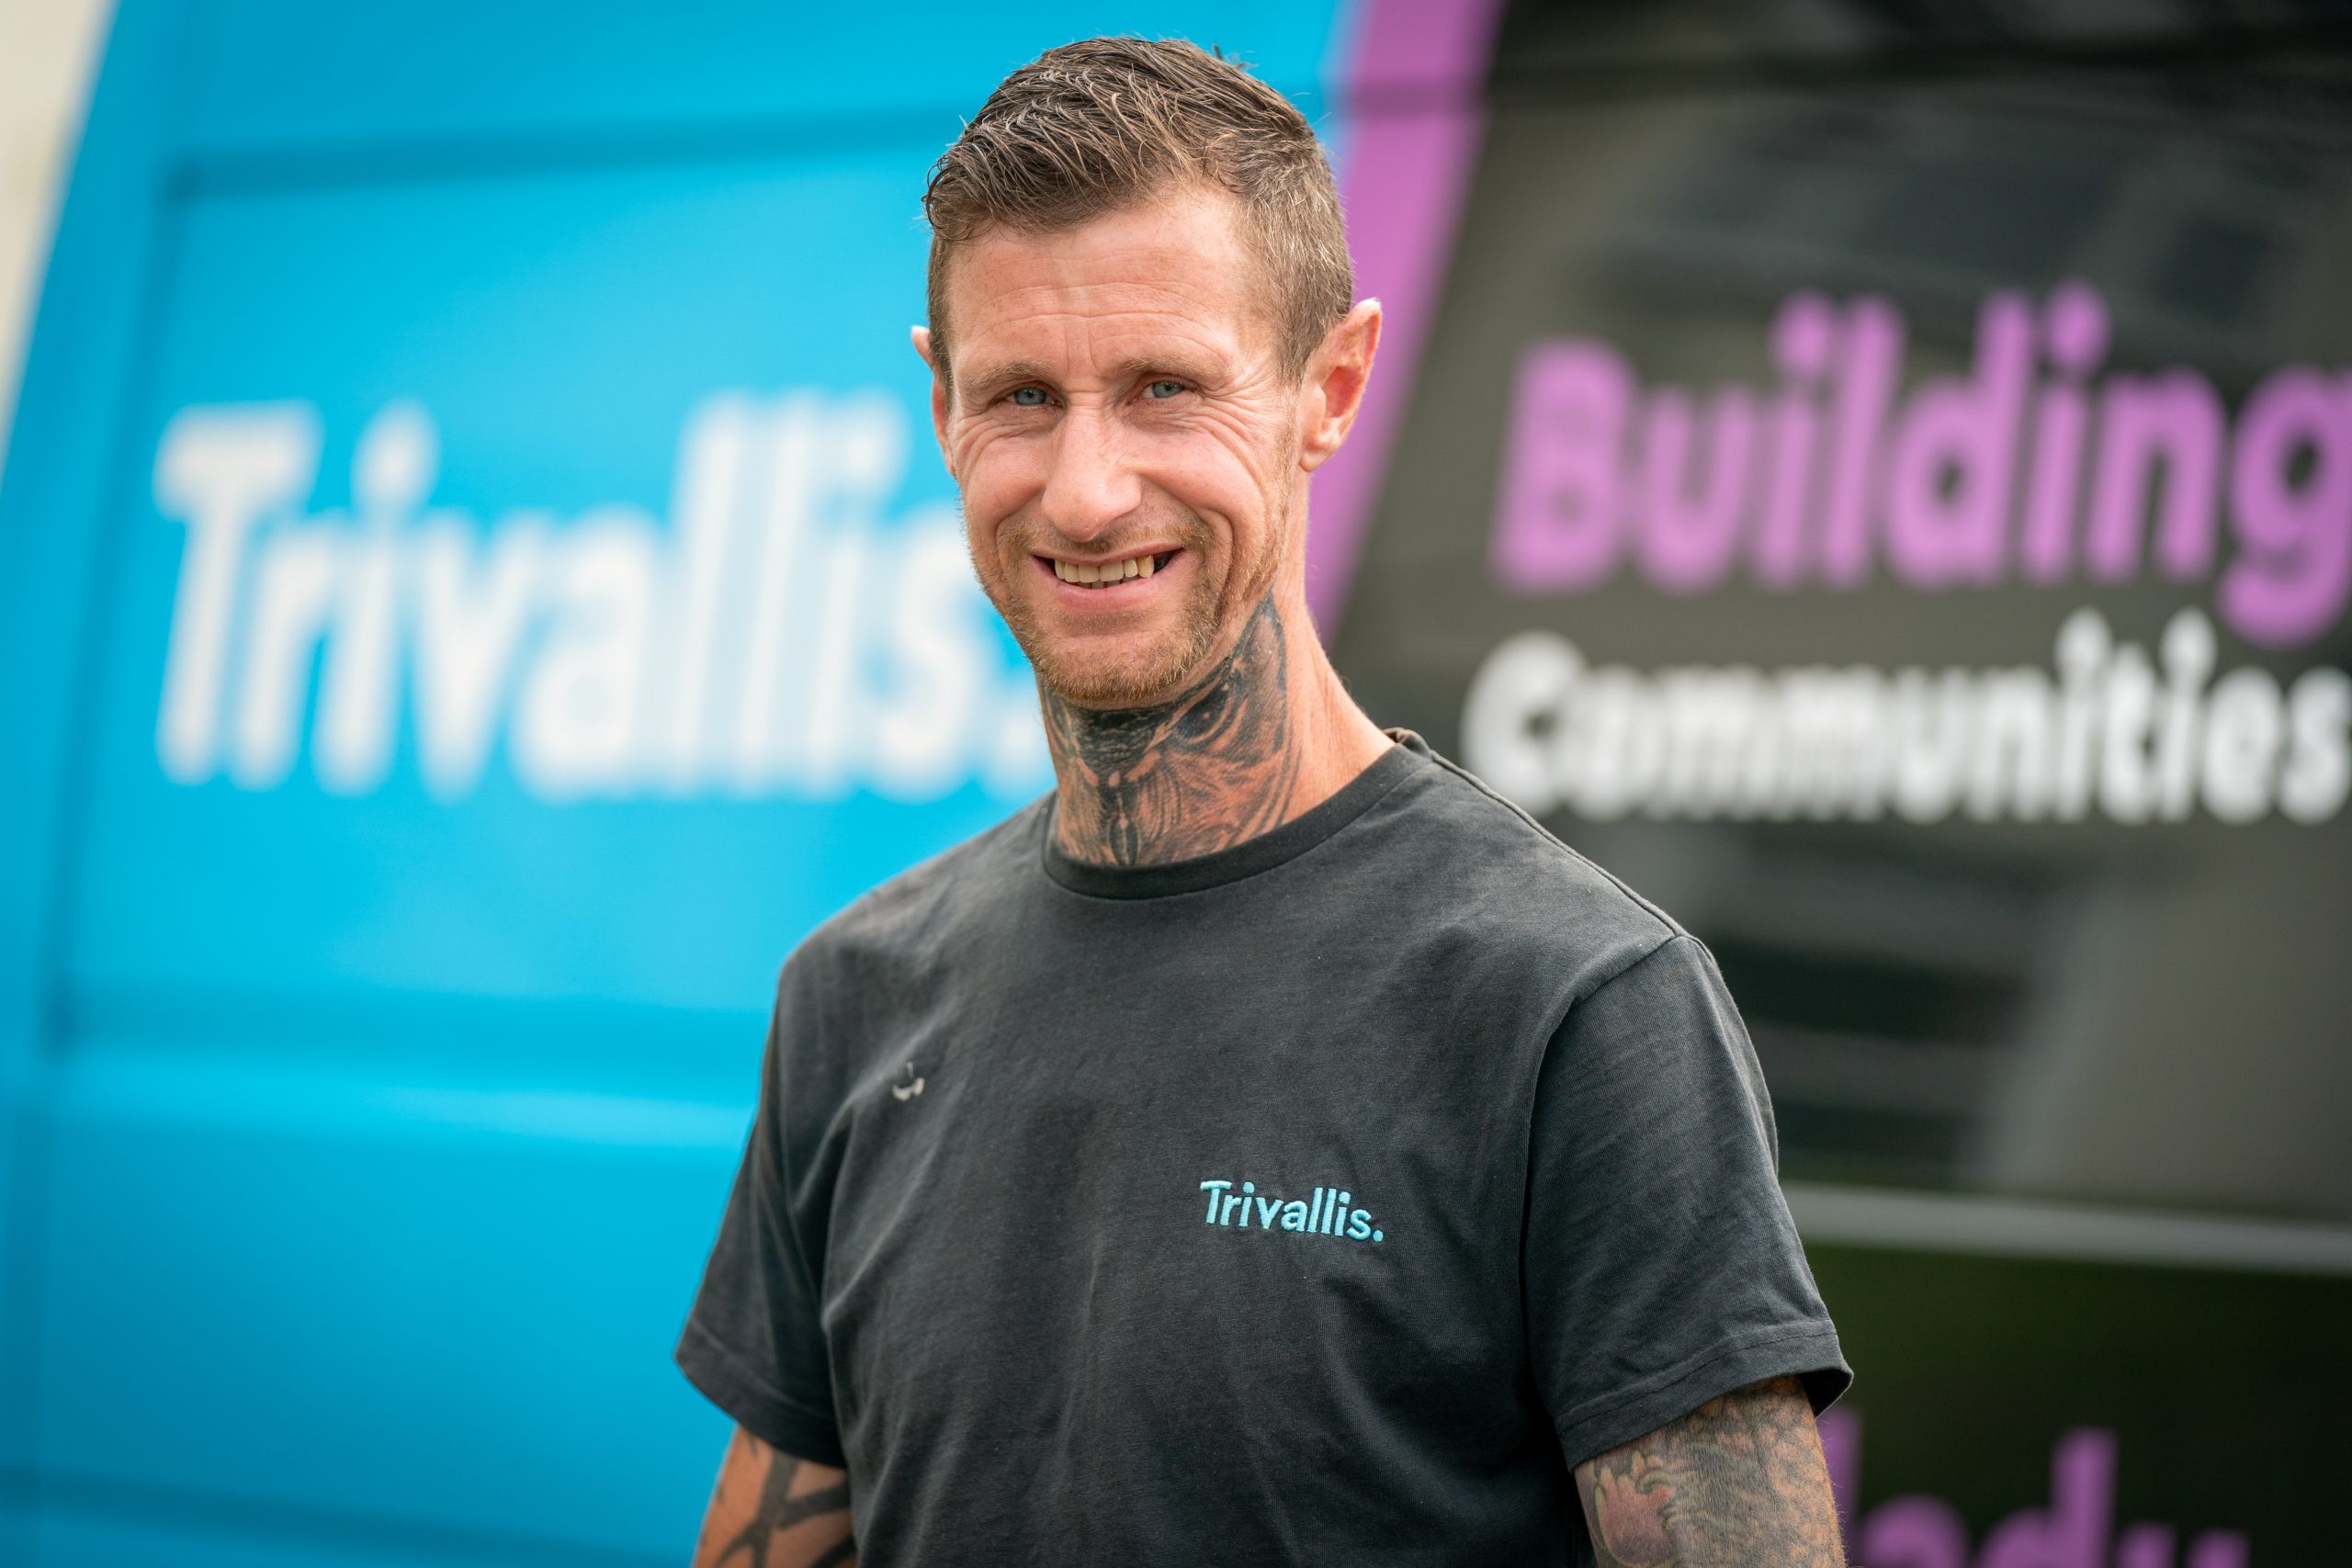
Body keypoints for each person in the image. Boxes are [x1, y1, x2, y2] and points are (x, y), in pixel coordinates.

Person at [676, 36, 1849, 1568]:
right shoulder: (850, 1002)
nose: (1088, 490)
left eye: (1167, 388)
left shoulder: (1573, 1013)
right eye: (1022, 396)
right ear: (942, 403)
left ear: (1331, 386)